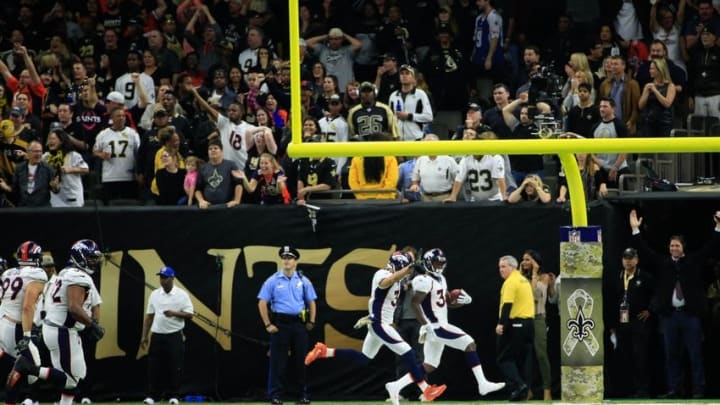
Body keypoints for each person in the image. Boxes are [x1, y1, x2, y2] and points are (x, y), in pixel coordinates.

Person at [304, 252, 447, 405]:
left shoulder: (398, 280)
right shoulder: (382, 273)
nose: (407, 270)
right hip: (380, 324)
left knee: (364, 358)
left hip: (378, 322)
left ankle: (326, 351)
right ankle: (424, 388)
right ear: (398, 266)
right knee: (409, 352)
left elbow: (383, 298)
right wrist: (408, 268)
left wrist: (416, 269)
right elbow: (386, 282)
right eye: (404, 267)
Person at [629, 209, 720, 399]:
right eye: (671, 246)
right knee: (671, 356)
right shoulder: (663, 263)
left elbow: (711, 246)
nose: (674, 249)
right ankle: (674, 389)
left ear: (683, 248)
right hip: (670, 316)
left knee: (695, 354)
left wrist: (718, 226)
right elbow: (645, 250)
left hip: (689, 315)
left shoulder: (693, 261)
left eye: (677, 246)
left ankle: (698, 390)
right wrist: (635, 230)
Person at [15, 240, 106, 405]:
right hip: (62, 330)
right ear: (80, 257)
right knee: (71, 379)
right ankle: (29, 368)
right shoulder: (77, 276)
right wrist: (92, 325)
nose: (94, 261)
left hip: (54, 328)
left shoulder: (65, 273)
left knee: (77, 375)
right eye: (90, 257)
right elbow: (74, 308)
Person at [410, 248, 505, 400]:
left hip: (437, 326)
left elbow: (446, 303)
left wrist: (463, 302)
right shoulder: (424, 280)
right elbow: (415, 303)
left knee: (430, 365)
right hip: (437, 326)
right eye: (436, 262)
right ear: (428, 263)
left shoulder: (441, 279)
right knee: (469, 343)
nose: (439, 266)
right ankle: (482, 383)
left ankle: (396, 385)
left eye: (441, 263)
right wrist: (426, 325)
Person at [258, 246, 318, 405]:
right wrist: (268, 324)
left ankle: (302, 394)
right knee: (278, 361)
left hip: (299, 324)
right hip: (280, 324)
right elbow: (262, 302)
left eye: (289, 258)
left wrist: (311, 320)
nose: (286, 260)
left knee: (302, 360)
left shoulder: (303, 280)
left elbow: (311, 301)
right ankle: (275, 395)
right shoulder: (273, 280)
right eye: (284, 257)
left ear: (295, 261)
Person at [0, 241, 47, 403]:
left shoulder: (8, 273)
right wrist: (27, 335)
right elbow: (27, 306)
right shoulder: (37, 274)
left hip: (2, 322)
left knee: (19, 367)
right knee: (31, 368)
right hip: (16, 327)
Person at [140, 266, 194, 405]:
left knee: (175, 366)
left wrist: (174, 313)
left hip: (174, 335)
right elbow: (149, 316)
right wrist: (144, 336)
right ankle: (152, 396)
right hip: (157, 335)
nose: (162, 280)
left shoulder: (181, 295)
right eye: (161, 277)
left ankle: (174, 395)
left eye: (165, 277)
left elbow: (190, 314)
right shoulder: (155, 294)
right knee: (154, 366)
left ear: (172, 278)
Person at [607, 247, 655, 399]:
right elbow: (611, 300)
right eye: (625, 258)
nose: (628, 261)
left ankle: (643, 389)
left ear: (637, 260)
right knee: (624, 355)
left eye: (631, 258)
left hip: (638, 321)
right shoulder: (617, 277)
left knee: (640, 355)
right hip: (622, 322)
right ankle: (626, 389)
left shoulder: (645, 277)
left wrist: (650, 310)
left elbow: (657, 293)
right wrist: (612, 325)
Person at [496, 255, 535, 402]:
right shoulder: (523, 280)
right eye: (500, 267)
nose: (501, 270)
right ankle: (524, 391)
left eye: (504, 267)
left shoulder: (510, 282)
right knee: (525, 358)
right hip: (529, 324)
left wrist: (501, 324)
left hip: (516, 323)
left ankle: (519, 386)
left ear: (512, 267)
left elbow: (507, 304)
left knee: (504, 357)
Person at [519, 250, 555, 400]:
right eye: (523, 260)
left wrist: (536, 274)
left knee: (541, 354)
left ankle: (547, 389)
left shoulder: (545, 277)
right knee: (525, 355)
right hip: (524, 318)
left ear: (535, 261)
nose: (524, 263)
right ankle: (527, 389)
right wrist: (523, 274)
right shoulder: (521, 279)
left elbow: (544, 296)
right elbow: (528, 296)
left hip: (539, 318)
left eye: (527, 260)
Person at [92, 107, 141, 203]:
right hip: (109, 177)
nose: (121, 118)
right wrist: (101, 155)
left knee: (129, 205)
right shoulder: (103, 134)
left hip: (128, 177)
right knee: (110, 206)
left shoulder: (133, 133)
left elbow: (139, 154)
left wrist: (137, 172)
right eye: (118, 116)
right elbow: (94, 151)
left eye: (123, 116)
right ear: (112, 119)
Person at [0, 140, 59, 207]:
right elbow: (15, 189)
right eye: (35, 151)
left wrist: (55, 187)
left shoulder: (48, 168)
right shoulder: (19, 168)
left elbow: (56, 190)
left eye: (40, 151)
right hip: (24, 210)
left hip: (43, 210)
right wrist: (6, 187)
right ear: (28, 152)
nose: (38, 154)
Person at [387, 65, 434, 141]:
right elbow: (390, 118)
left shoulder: (420, 94)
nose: (404, 76)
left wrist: (409, 116)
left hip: (416, 138)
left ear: (413, 78)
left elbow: (429, 117)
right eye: (402, 74)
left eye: (407, 73)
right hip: (398, 139)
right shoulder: (393, 96)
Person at [408, 134, 458, 202]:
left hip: (444, 196)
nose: (428, 146)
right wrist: (415, 185)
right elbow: (415, 178)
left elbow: (458, 179)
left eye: (430, 144)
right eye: (425, 144)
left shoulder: (448, 160)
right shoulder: (421, 160)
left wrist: (453, 195)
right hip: (426, 197)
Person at [194, 139, 243, 209]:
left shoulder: (231, 165)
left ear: (222, 151)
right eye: (210, 149)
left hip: (227, 207)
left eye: (215, 148)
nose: (212, 150)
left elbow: (239, 184)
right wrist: (201, 201)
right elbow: (198, 189)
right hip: (208, 208)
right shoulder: (203, 168)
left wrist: (236, 201)